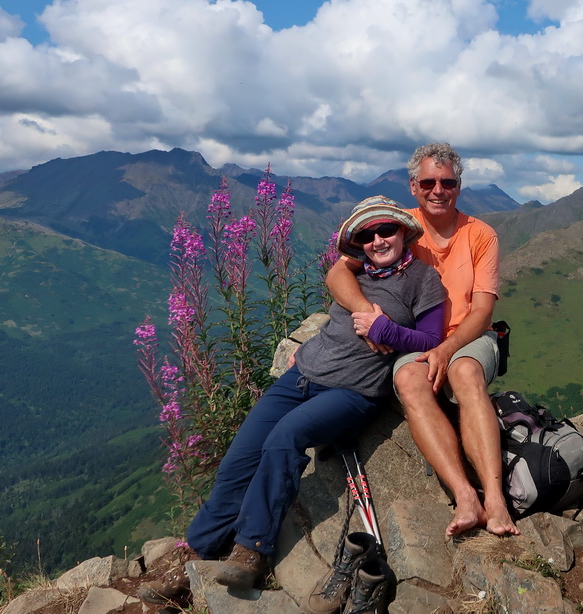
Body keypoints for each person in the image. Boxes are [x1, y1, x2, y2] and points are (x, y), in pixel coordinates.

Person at [140, 195, 446, 603]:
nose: (378, 239)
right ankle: (193, 561)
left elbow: (431, 340)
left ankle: (252, 552)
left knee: (286, 437)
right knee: (240, 458)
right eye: (367, 234)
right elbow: (336, 276)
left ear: (403, 232)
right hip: (301, 377)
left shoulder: (424, 281)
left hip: (352, 393)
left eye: (386, 230)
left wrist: (384, 330)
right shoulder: (355, 270)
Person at [327, 142, 519, 538]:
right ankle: (465, 496)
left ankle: (496, 498)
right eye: (428, 182)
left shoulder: (481, 235)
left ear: (458, 186)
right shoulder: (396, 226)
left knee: (465, 374)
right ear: (413, 186)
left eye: (447, 182)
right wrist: (370, 312)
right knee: (409, 381)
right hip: (414, 339)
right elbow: (337, 274)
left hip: (469, 338)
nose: (438, 190)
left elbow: (482, 311)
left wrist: (446, 349)